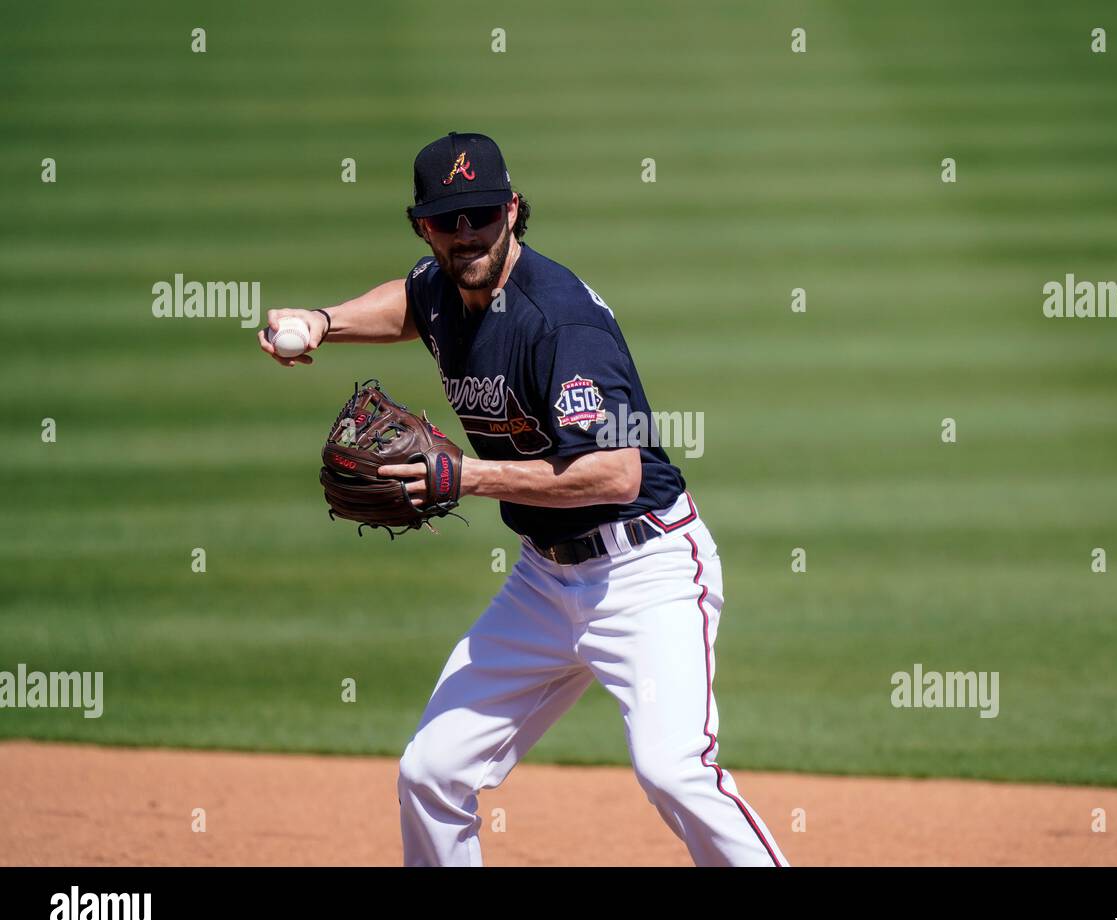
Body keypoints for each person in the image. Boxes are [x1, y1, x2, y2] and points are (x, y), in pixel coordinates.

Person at [258, 132, 787, 867]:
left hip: (646, 572)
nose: (466, 233)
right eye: (448, 220)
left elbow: (615, 474)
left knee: (674, 770)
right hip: (545, 580)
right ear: (423, 226)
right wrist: (324, 321)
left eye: (481, 214)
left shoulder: (560, 322)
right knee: (430, 772)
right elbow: (410, 301)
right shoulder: (447, 283)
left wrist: (465, 476)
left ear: (512, 209)